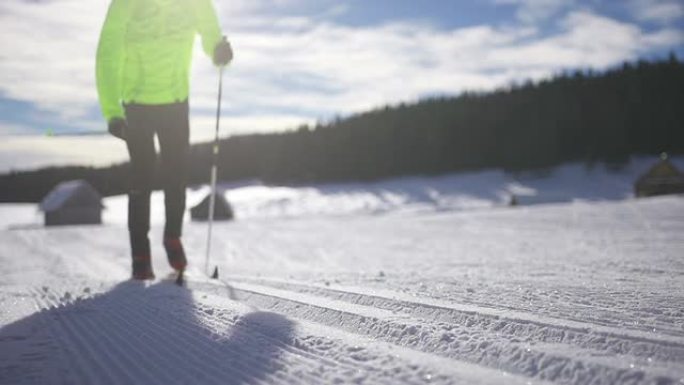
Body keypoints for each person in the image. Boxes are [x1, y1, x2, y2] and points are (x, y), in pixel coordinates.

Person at [96, 0, 233, 280]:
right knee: (142, 177)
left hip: (175, 102)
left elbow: (209, 31)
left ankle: (173, 237)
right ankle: (140, 255)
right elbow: (107, 53)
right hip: (136, 105)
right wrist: (112, 111)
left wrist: (218, 49)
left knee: (176, 175)